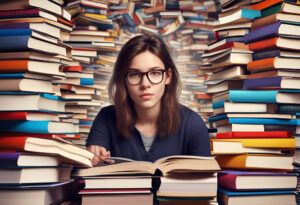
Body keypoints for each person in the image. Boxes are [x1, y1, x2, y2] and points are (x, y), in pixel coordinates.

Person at [86, 34, 210, 166]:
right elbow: (89, 172)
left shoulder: (193, 125)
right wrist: (93, 158)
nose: (145, 84)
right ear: (123, 79)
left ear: (168, 76)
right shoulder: (106, 118)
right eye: (134, 74)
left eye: (155, 73)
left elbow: (205, 184)